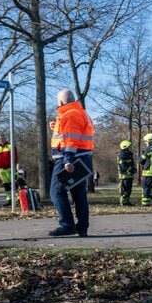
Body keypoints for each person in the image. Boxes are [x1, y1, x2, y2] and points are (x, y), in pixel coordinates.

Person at [48, 89, 94, 237]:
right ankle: (82, 228)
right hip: (82, 157)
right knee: (78, 193)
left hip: (69, 158)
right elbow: (74, 134)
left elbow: (71, 140)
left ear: (61, 102)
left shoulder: (70, 114)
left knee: (57, 192)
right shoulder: (80, 112)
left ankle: (67, 225)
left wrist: (68, 159)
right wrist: (57, 126)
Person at [117, 140, 136, 206]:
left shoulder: (128, 154)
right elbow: (123, 166)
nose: (130, 148)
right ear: (125, 147)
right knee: (125, 189)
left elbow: (131, 163)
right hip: (124, 175)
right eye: (129, 147)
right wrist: (129, 170)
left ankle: (127, 201)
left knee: (129, 189)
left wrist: (133, 169)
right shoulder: (122, 155)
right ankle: (123, 202)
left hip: (129, 175)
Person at [0, 134, 12, 205]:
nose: (1, 140)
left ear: (5, 139)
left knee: (14, 184)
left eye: (2, 139)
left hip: (9, 168)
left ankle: (17, 199)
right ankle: (9, 200)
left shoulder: (10, 146)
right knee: (6, 185)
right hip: (1, 169)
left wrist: (15, 166)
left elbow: (15, 157)